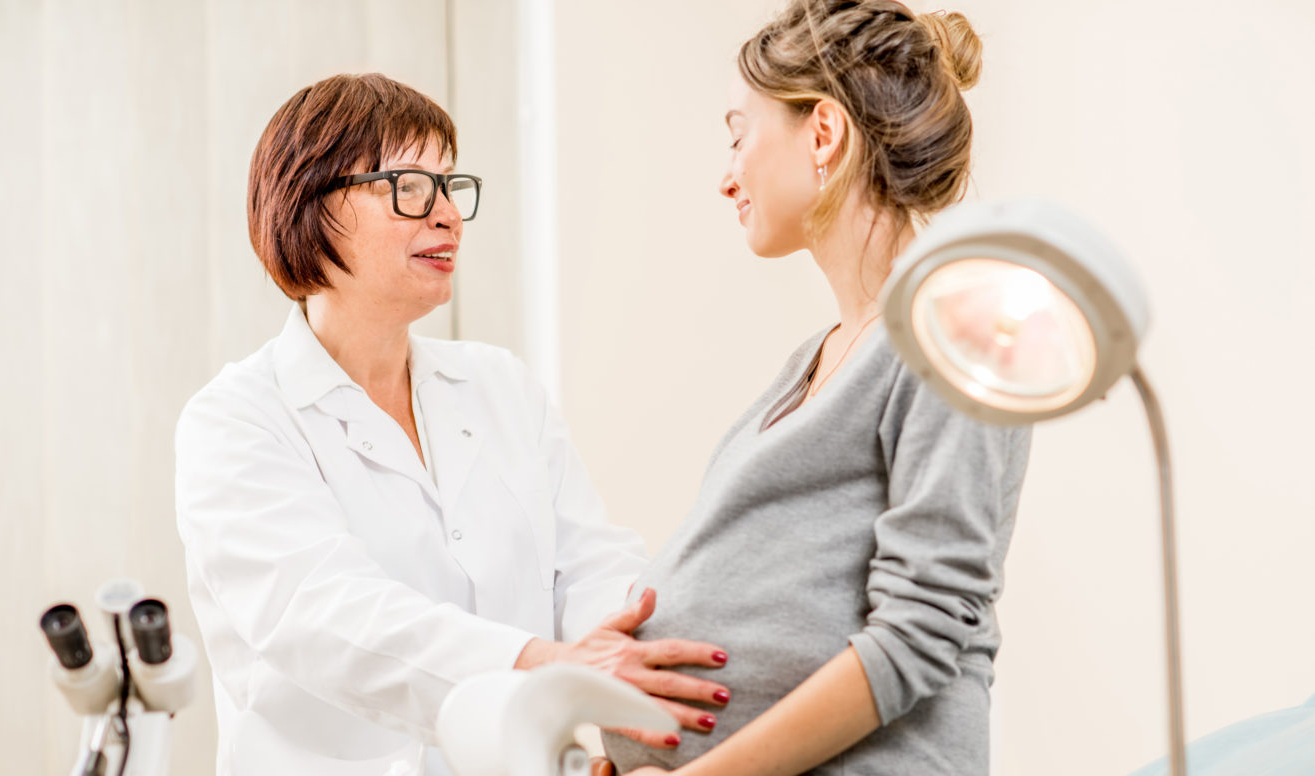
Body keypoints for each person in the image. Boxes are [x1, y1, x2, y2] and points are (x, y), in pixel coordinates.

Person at [174, 73, 728, 776]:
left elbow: (590, 568)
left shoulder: (500, 387)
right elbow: (327, 617)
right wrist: (545, 666)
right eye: (409, 186)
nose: (447, 216)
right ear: (307, 202)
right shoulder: (236, 421)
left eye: (449, 185)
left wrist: (641, 685)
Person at [602, 2, 1030, 774]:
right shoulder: (816, 357)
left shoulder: (951, 327)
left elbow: (920, 633)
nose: (726, 176)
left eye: (739, 134)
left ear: (823, 133)